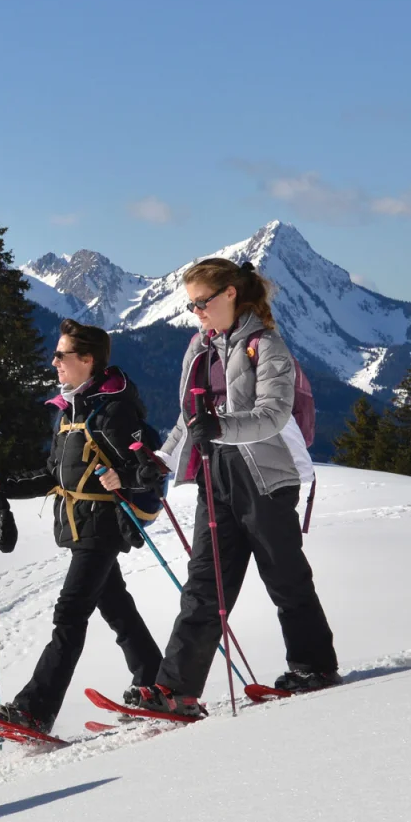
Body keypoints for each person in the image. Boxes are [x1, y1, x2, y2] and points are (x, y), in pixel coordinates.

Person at [130, 258, 339, 718]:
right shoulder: (198, 348)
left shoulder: (268, 347)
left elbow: (273, 414)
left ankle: (314, 667)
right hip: (215, 474)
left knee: (284, 576)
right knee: (205, 584)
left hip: (265, 476)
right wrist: (161, 460)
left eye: (202, 302)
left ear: (230, 294)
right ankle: (176, 690)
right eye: (191, 306)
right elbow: (189, 420)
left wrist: (218, 426)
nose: (196, 312)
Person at [0, 319, 163, 734]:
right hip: (81, 529)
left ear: (87, 360)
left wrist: (125, 480)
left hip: (103, 527)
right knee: (117, 609)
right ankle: (156, 680)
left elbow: (149, 470)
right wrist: (4, 483)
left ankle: (35, 710)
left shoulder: (114, 411)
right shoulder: (68, 412)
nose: (54, 361)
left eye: (61, 355)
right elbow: (52, 475)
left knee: (70, 614)